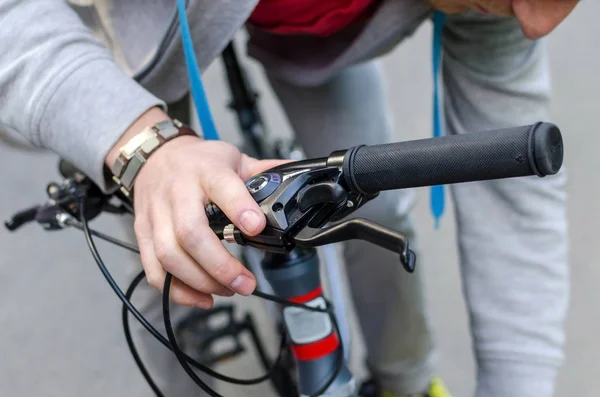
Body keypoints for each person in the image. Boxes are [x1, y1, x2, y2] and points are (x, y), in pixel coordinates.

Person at [0, 0, 578, 396]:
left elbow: (517, 206)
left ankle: (406, 381)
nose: (536, 23)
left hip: (317, 34)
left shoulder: (512, 6)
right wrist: (141, 144)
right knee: (174, 245)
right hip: (139, 43)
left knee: (374, 208)